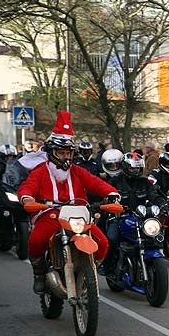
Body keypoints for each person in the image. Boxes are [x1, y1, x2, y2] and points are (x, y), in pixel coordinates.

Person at [18, 111, 119, 294]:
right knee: (36, 240)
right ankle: (39, 273)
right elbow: (28, 187)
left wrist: (112, 193)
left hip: (78, 215)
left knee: (102, 242)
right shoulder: (40, 171)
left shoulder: (78, 171)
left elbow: (96, 183)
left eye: (68, 153)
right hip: (50, 214)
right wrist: (27, 198)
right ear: (52, 153)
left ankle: (88, 270)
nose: (66, 157)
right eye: (61, 153)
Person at [102, 153, 161, 278]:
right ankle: (107, 267)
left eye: (138, 168)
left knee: (154, 235)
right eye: (132, 168)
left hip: (140, 218)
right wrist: (110, 202)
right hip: (119, 217)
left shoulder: (145, 182)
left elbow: (153, 195)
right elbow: (106, 194)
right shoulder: (115, 181)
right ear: (125, 167)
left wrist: (164, 204)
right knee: (111, 238)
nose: (135, 170)